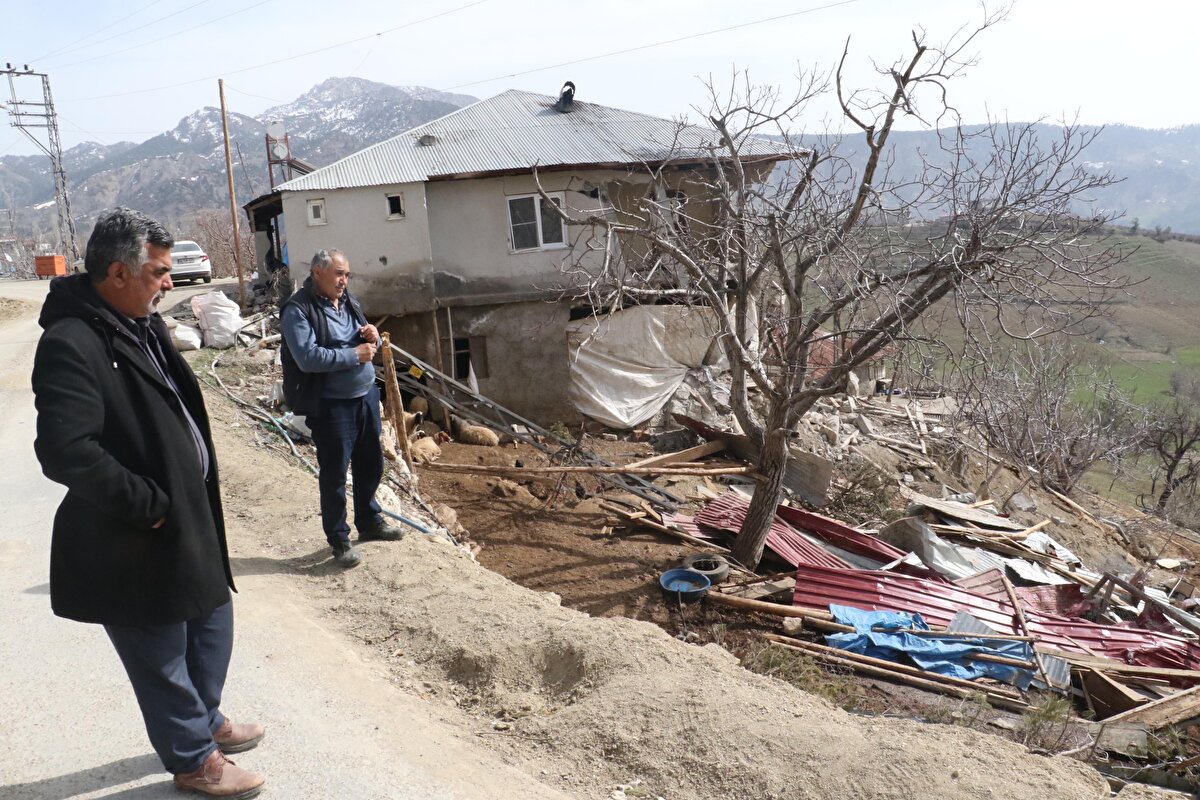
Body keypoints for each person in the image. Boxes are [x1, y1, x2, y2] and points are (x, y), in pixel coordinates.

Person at [31, 207, 265, 798]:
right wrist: (150, 505)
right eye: (159, 272)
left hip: (187, 517)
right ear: (117, 273)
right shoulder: (72, 342)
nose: (169, 283)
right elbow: (65, 451)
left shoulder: (139, 322)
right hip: (132, 533)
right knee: (160, 654)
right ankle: (193, 760)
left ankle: (204, 721)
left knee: (211, 621)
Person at [280, 249, 404, 568]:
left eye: (347, 274)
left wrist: (372, 336)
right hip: (331, 405)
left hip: (364, 397)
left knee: (371, 463)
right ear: (318, 273)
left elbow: (366, 342)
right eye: (338, 273)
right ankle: (339, 538)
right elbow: (307, 358)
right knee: (335, 473)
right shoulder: (298, 310)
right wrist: (354, 356)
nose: (343, 280)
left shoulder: (348, 300)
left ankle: (370, 520)